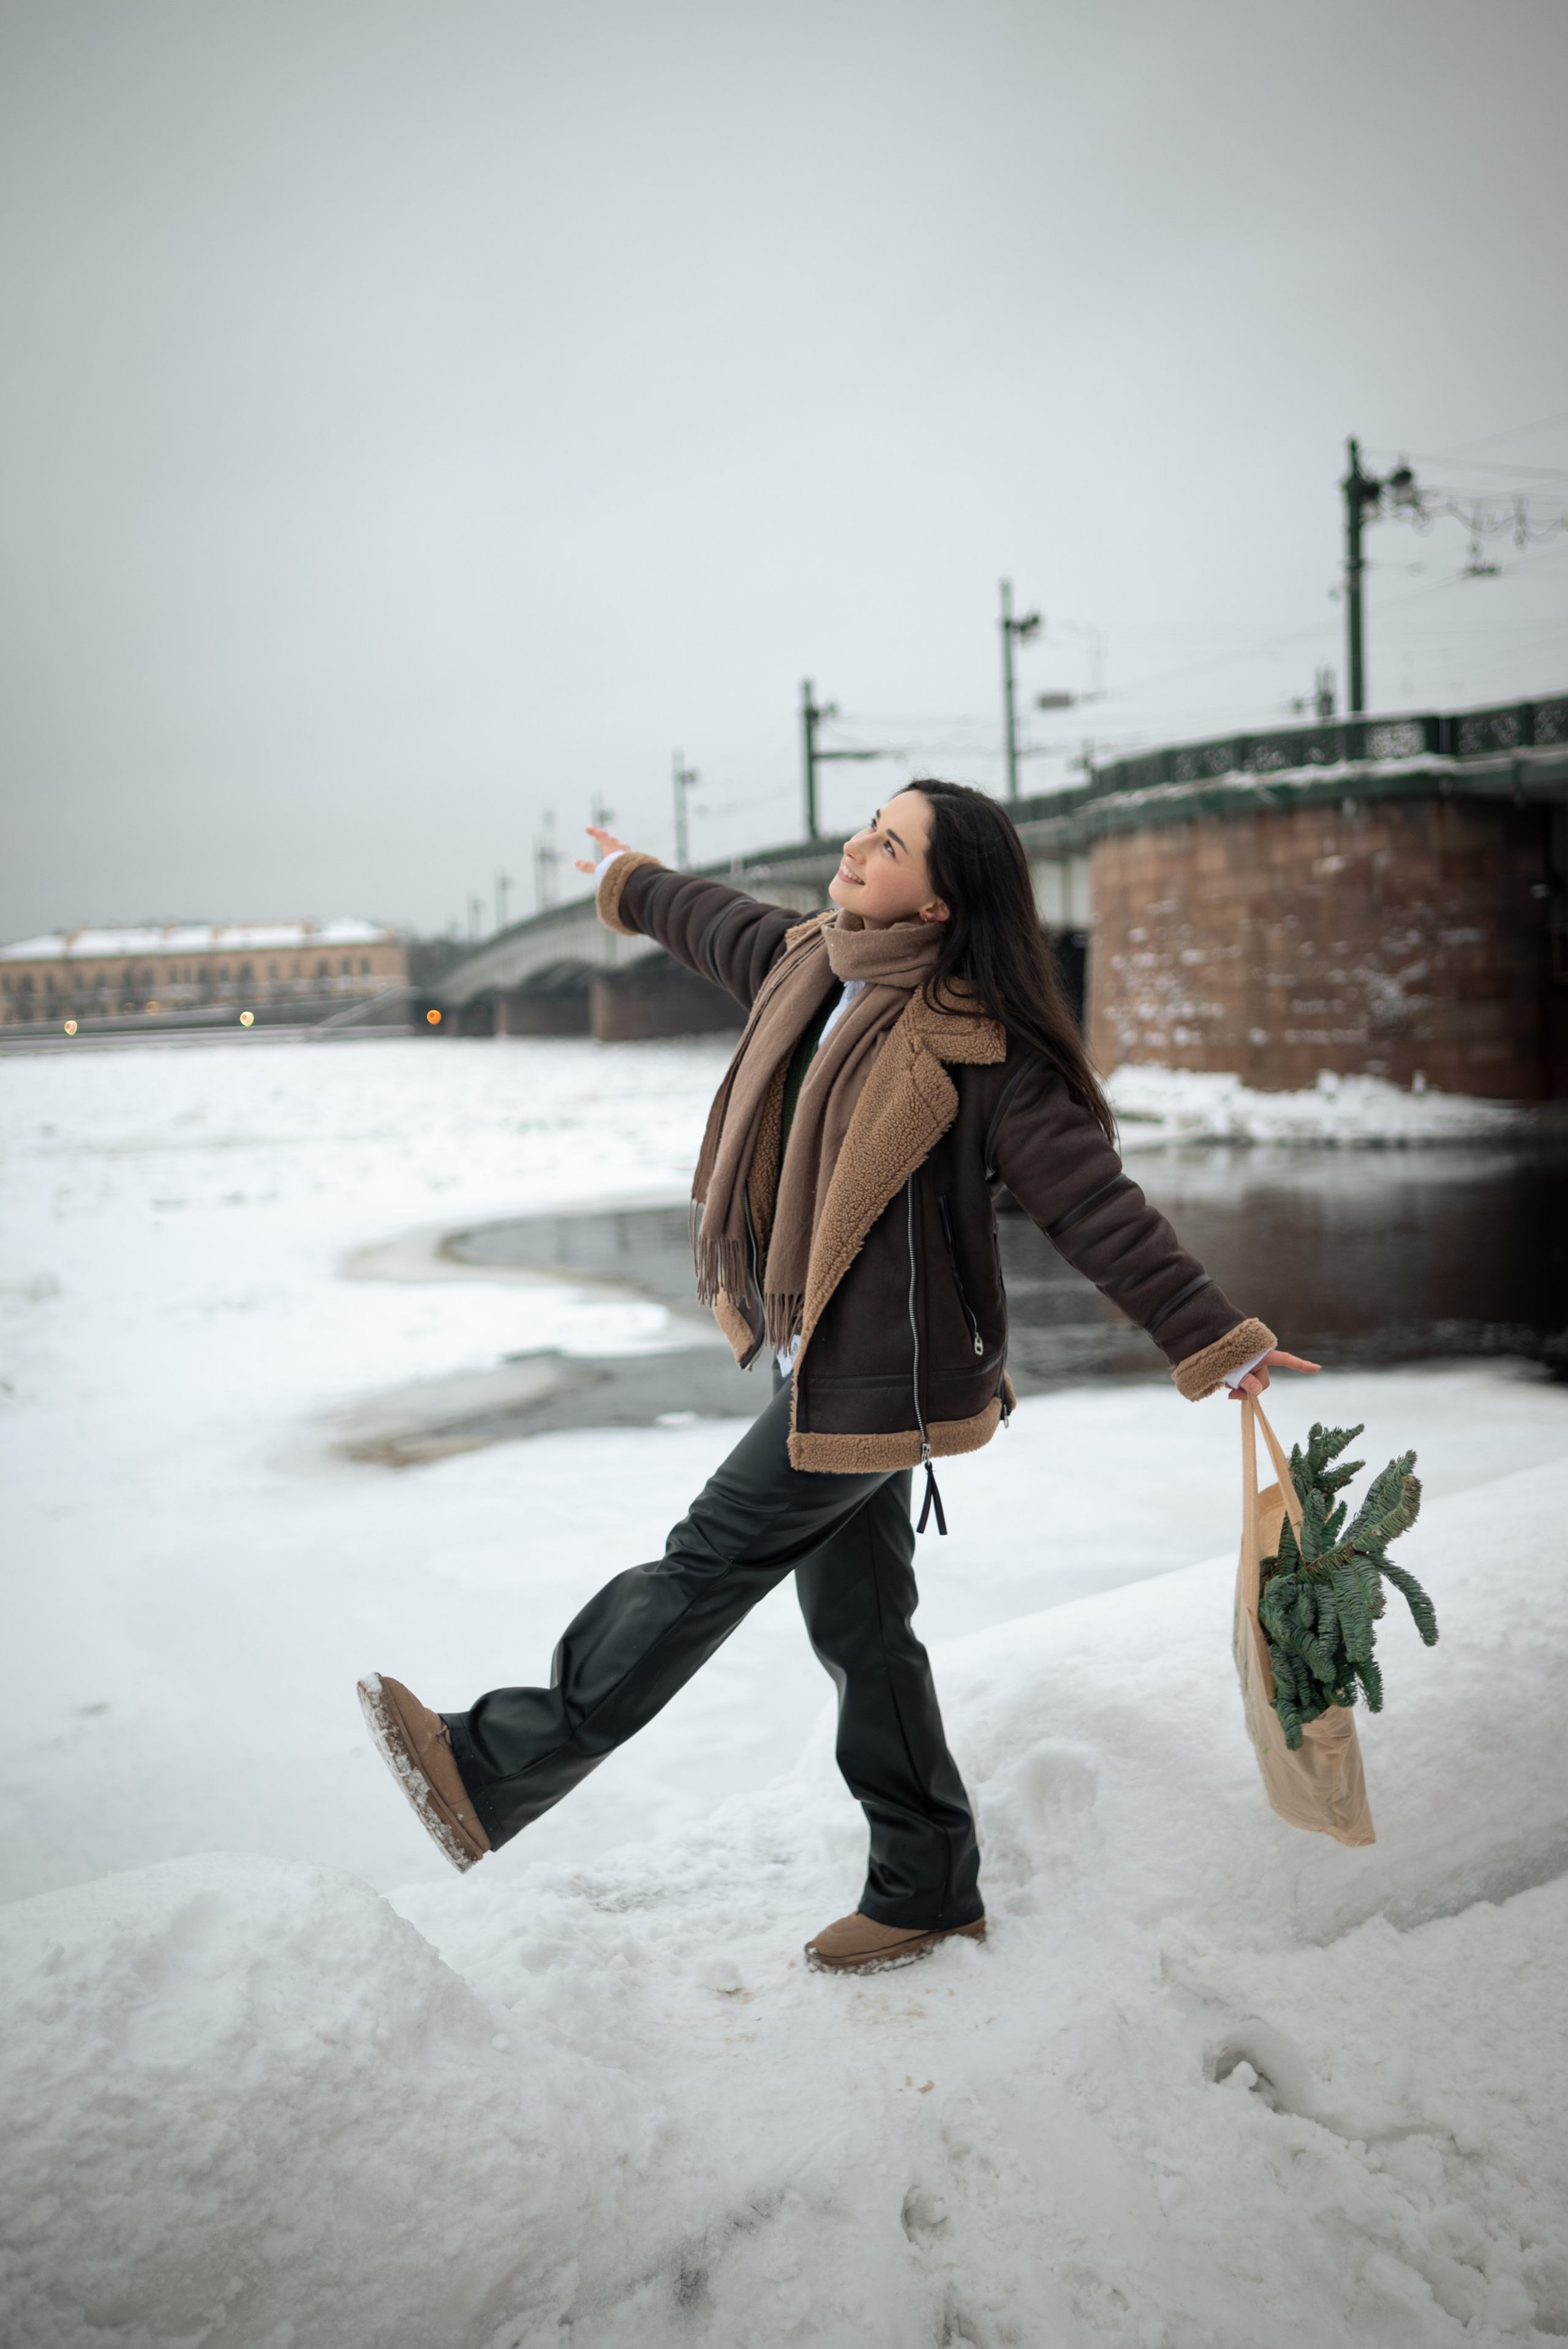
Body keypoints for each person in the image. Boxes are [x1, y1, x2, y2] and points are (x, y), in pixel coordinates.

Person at [359, 781, 1317, 1973]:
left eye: (891, 843)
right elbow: (711, 921)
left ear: (939, 901)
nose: (859, 845)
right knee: (865, 1632)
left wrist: (1209, 1334)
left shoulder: (984, 1050)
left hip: (886, 1381)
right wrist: (630, 879)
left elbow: (1093, 1206)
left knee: (705, 1562)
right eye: (870, 823)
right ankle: (927, 1887)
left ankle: (493, 1763)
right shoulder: (815, 961)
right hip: (819, 1359)